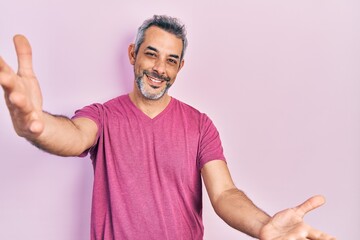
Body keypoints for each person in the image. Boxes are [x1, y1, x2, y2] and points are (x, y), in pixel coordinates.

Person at [0, 15, 335, 240]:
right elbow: (73, 137)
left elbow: (225, 194)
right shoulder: (101, 116)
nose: (159, 69)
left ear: (180, 67)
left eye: (171, 60)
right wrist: (36, 124)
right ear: (133, 54)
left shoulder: (200, 124)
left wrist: (266, 227)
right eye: (151, 55)